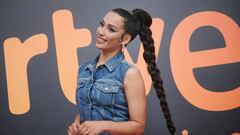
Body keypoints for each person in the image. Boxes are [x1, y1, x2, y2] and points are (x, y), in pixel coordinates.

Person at [67, 8, 176, 135]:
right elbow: (89, 107)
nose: (101, 31)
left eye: (111, 29)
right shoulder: (83, 69)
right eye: (102, 24)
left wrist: (103, 125)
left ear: (125, 39)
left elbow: (138, 126)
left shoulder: (129, 73)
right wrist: (76, 123)